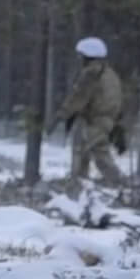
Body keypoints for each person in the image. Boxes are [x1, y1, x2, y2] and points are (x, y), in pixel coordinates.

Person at [56, 36, 126, 184]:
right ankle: (81, 186)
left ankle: (116, 184)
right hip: (107, 120)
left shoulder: (91, 73)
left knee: (93, 154)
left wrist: (62, 113)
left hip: (95, 120)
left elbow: (79, 97)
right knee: (88, 153)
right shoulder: (110, 73)